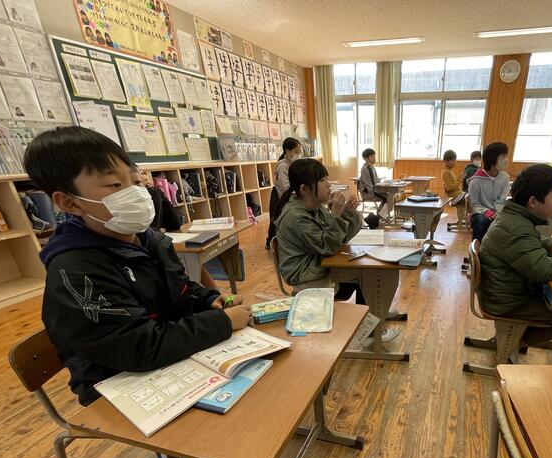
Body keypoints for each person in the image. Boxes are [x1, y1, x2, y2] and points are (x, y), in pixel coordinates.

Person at [24, 126, 251, 405]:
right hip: (118, 385)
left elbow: (179, 287)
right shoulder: (75, 271)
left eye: (135, 180)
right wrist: (221, 323)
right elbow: (139, 347)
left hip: (172, 358)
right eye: (114, 185)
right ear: (70, 202)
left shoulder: (147, 238)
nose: (135, 192)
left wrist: (209, 299)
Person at [276, 159, 400, 344]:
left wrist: (348, 213)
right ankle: (370, 332)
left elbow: (342, 237)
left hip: (318, 266)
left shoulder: (314, 208)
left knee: (368, 273)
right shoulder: (295, 216)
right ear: (304, 189)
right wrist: (335, 215)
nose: (328, 184)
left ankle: (376, 313)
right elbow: (329, 246)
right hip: (307, 276)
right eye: (322, 180)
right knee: (367, 275)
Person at [478, 164, 552, 350]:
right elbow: (543, 270)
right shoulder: (517, 228)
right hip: (507, 301)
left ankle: (516, 338)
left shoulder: (514, 218)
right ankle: (515, 344)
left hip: (503, 292)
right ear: (533, 201)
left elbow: (530, 241)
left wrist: (550, 245)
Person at [467, 142, 510, 242]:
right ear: (493, 158)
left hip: (498, 211)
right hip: (479, 213)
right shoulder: (475, 181)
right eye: (503, 156)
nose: (506, 159)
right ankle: (477, 249)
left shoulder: (504, 177)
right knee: (482, 221)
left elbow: (502, 199)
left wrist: (496, 212)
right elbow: (474, 205)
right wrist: (487, 212)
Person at [265, 137, 301, 248]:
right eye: (296, 152)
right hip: (279, 196)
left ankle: (285, 241)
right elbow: (286, 187)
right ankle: (271, 242)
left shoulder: (291, 164)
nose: (298, 154)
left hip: (287, 195)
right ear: (287, 151)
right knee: (275, 219)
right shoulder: (282, 166)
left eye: (299, 152)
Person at [359, 148, 388, 217]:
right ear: (365, 158)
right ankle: (379, 217)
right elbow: (369, 185)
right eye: (372, 157)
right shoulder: (365, 169)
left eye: (374, 156)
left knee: (389, 196)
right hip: (368, 193)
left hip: (373, 189)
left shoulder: (372, 167)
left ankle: (381, 215)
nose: (374, 158)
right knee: (386, 198)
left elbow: (375, 180)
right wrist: (376, 192)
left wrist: (380, 182)